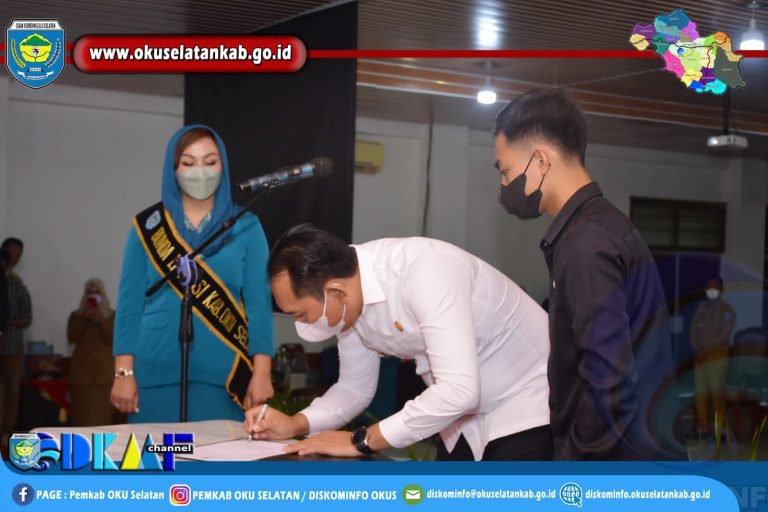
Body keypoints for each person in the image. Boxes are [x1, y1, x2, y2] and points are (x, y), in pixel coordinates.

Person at [245, 225, 552, 461]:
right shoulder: (348, 302)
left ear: (335, 292)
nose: (301, 324)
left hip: (526, 404)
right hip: (463, 420)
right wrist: (294, 424)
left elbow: (459, 390)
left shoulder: (424, 270)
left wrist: (362, 440)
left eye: (301, 314)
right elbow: (354, 388)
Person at [494, 89, 682, 460]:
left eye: (505, 171)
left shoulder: (586, 242)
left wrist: (574, 466)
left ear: (540, 160)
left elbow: (609, 381)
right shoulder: (599, 226)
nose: (504, 185)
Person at [111, 125, 274, 422]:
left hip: (225, 376)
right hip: (154, 373)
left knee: (217, 452)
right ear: (173, 170)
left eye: (210, 162)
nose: (200, 172)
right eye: (188, 163)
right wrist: (123, 373)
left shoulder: (247, 226)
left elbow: (259, 306)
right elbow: (129, 307)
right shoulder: (146, 227)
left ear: (223, 166)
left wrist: (262, 372)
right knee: (158, 451)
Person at [690, 276, 736, 437]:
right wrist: (696, 347)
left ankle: (720, 431)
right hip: (699, 356)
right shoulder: (701, 309)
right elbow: (693, 330)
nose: (711, 290)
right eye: (708, 287)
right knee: (700, 395)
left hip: (717, 356)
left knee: (717, 396)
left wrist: (705, 351)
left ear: (721, 290)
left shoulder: (727, 310)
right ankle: (702, 429)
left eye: (715, 287)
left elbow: (724, 334)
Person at [67, 279, 116, 426]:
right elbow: (72, 337)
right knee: (82, 420)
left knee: (103, 421)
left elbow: (113, 338)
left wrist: (101, 320)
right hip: (82, 379)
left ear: (103, 295)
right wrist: (84, 318)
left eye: (97, 293)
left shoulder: (112, 316)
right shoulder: (76, 316)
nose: (93, 297)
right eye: (89, 293)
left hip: (105, 379)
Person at [0, 240, 31, 447]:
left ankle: (6, 433)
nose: (14, 258)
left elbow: (27, 318)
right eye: (11, 253)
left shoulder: (17, 286)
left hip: (11, 345)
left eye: (18, 255)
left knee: (12, 390)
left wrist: (5, 323)